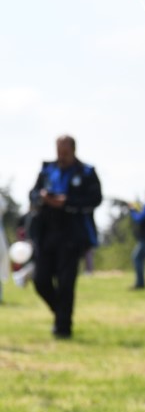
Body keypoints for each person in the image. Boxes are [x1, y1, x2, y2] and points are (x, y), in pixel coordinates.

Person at [29, 135, 103, 339]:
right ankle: (61, 313)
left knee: (66, 282)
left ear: (73, 151)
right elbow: (32, 193)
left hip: (72, 235)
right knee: (40, 280)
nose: (61, 156)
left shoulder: (86, 172)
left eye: (65, 153)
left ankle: (63, 328)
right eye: (59, 152)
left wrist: (68, 202)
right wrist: (42, 198)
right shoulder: (47, 170)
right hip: (47, 233)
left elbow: (96, 199)